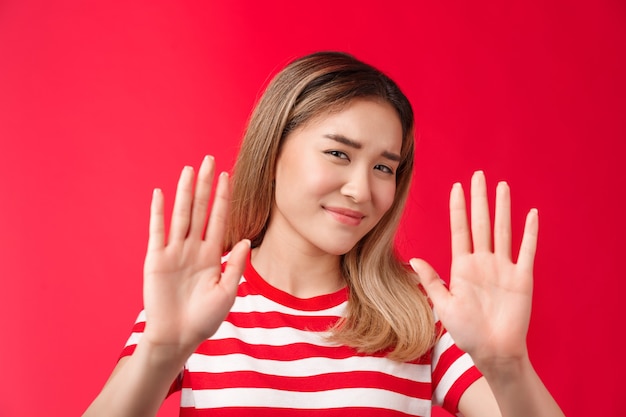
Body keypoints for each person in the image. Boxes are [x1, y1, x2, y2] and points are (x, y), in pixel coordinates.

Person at [84, 51, 565, 417]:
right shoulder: (199, 299)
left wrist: (508, 366)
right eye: (338, 153)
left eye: (383, 167)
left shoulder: (421, 313)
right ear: (272, 152)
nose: (361, 189)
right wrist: (162, 350)